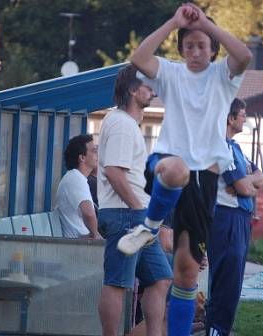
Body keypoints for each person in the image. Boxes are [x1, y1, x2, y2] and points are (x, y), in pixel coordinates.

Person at [123, 3, 252, 335]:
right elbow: (139, 58)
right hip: (166, 165)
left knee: (186, 275)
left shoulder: (223, 78)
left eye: (202, 45)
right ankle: (150, 227)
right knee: (178, 169)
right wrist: (173, 22)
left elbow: (244, 56)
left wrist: (207, 24)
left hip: (204, 181)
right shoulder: (170, 72)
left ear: (212, 49)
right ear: (180, 49)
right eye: (189, 45)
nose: (195, 51)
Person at [97, 65, 172, 336]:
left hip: (133, 215)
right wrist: (140, 209)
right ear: (131, 89)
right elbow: (115, 173)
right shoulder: (120, 124)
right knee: (117, 283)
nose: (153, 90)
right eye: (147, 85)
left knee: (161, 279)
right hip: (125, 214)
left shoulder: (125, 124)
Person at [206, 98, 263, 336]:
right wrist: (246, 183)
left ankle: (221, 329)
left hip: (240, 219)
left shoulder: (236, 147)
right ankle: (215, 330)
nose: (245, 119)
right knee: (226, 283)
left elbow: (260, 176)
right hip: (227, 219)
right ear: (230, 118)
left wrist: (246, 181)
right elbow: (246, 188)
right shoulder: (220, 146)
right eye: (242, 115)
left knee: (234, 282)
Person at [54, 134, 101, 239]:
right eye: (94, 151)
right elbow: (88, 213)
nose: (97, 154)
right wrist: (95, 236)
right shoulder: (76, 179)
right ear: (82, 158)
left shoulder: (76, 177)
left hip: (80, 240)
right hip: (77, 245)